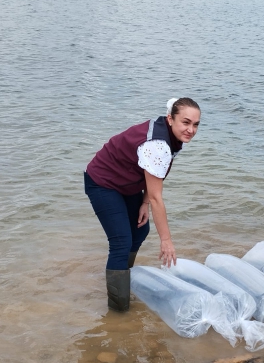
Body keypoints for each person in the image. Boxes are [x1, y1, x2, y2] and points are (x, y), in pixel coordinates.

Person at [84, 98, 201, 311]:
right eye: (186, 122)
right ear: (170, 118)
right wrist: (166, 240)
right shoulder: (157, 144)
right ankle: (119, 311)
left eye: (195, 124)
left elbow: (155, 177)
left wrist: (143, 202)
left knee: (139, 230)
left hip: (127, 183)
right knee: (121, 242)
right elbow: (158, 197)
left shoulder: (172, 135)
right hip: (103, 182)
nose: (191, 129)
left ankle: (122, 280)